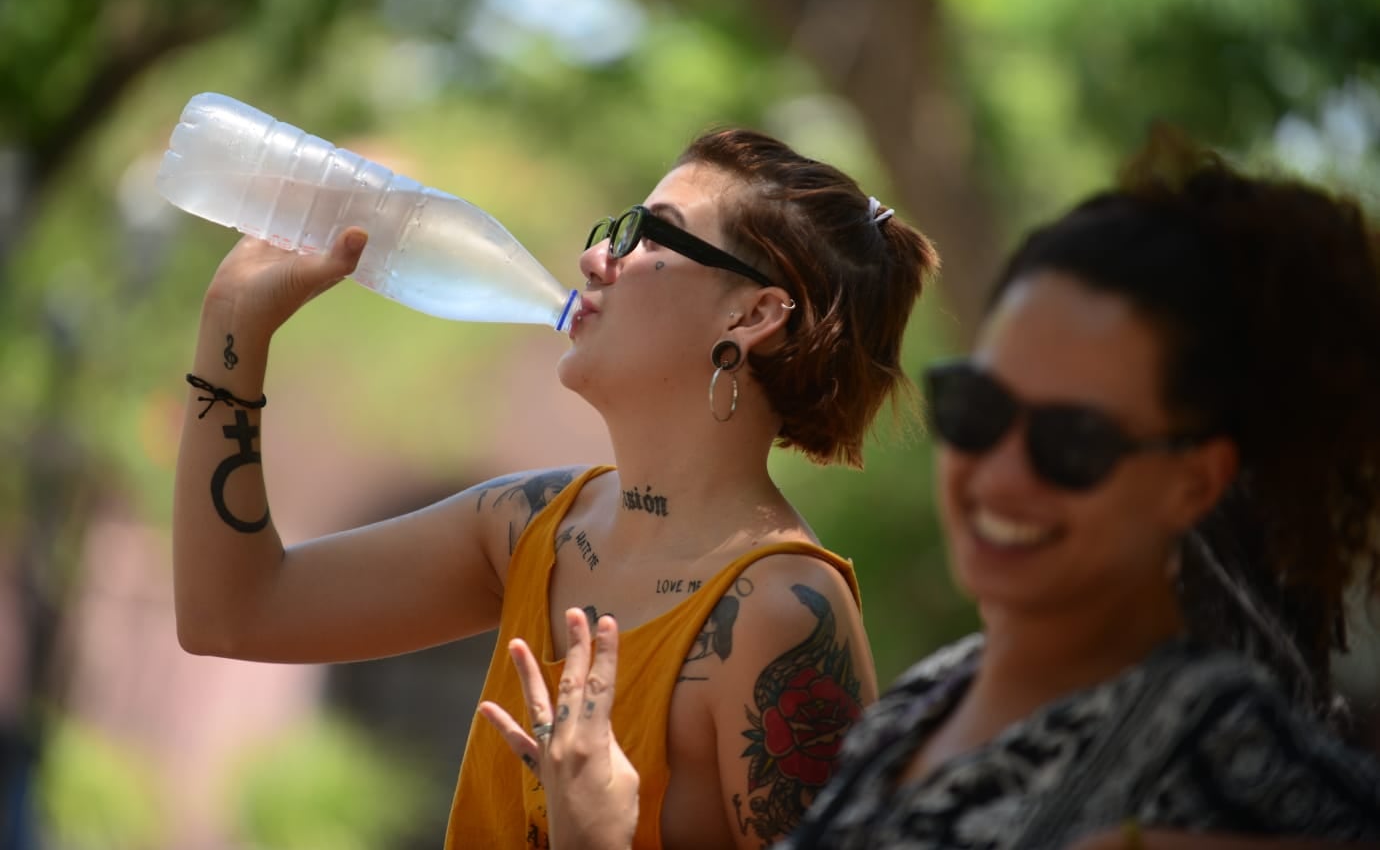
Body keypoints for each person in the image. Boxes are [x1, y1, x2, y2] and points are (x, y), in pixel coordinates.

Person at [482, 127, 1380, 849]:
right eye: (979, 406)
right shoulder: (923, 711)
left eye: (1072, 441)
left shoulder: (1226, 781)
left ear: (1194, 482)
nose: (999, 471)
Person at [171, 127, 940, 850]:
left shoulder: (784, 612)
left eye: (648, 234)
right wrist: (234, 325)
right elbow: (232, 615)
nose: (595, 257)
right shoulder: (527, 525)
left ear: (754, 312)